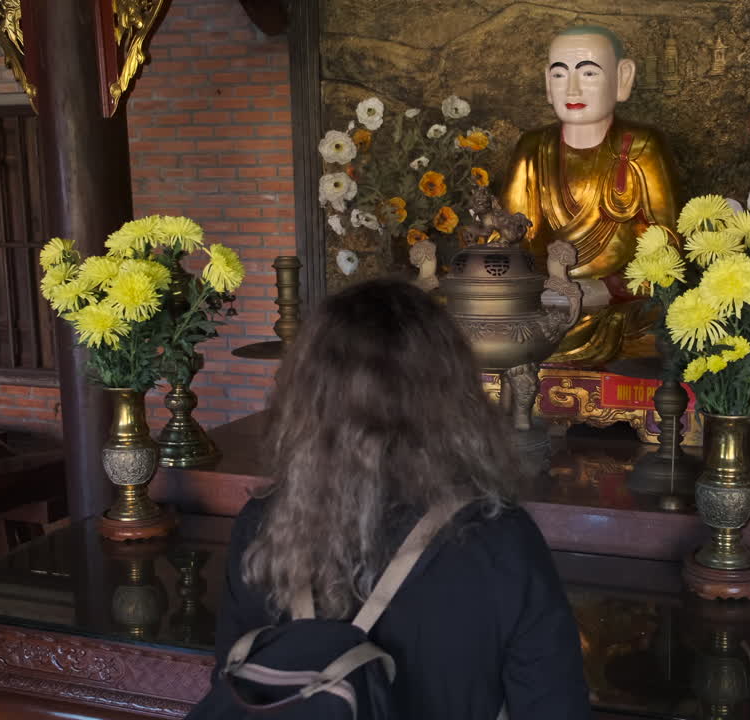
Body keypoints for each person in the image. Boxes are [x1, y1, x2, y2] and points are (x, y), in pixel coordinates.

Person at [208, 278, 591, 719]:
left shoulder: (262, 525)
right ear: (453, 395)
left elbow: (232, 682)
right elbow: (553, 707)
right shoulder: (499, 540)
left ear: (307, 396)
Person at [501, 25, 682, 366]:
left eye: (588, 73)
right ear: (547, 83)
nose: (572, 88)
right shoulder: (532, 148)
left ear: (622, 77)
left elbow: (669, 246)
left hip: (616, 306)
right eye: (559, 74)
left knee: (661, 320)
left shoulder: (642, 147)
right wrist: (531, 286)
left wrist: (609, 288)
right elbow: (511, 237)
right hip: (545, 298)